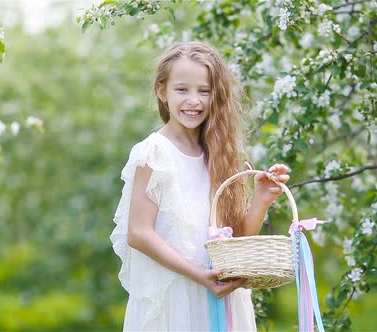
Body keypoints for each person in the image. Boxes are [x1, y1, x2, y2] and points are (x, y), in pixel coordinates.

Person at [111, 41, 290, 331]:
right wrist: (198, 275)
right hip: (178, 294)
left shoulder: (221, 154)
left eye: (204, 91)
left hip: (221, 293)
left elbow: (237, 237)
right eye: (182, 90)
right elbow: (139, 233)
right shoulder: (154, 153)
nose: (194, 100)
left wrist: (262, 199)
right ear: (161, 90)